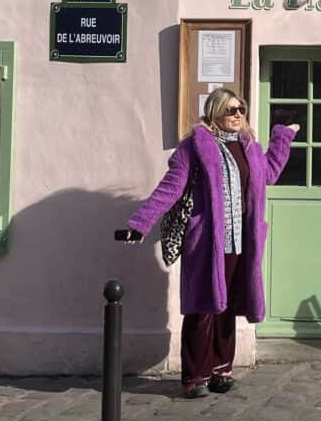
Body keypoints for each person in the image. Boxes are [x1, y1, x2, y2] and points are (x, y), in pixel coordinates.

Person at [120, 88, 298, 398]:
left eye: (241, 108)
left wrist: (282, 138)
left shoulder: (250, 148)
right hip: (208, 241)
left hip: (244, 240)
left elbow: (268, 175)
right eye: (231, 110)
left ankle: (221, 370)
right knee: (203, 307)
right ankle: (195, 376)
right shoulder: (195, 148)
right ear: (214, 112)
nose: (238, 114)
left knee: (228, 306)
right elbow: (170, 188)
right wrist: (140, 224)